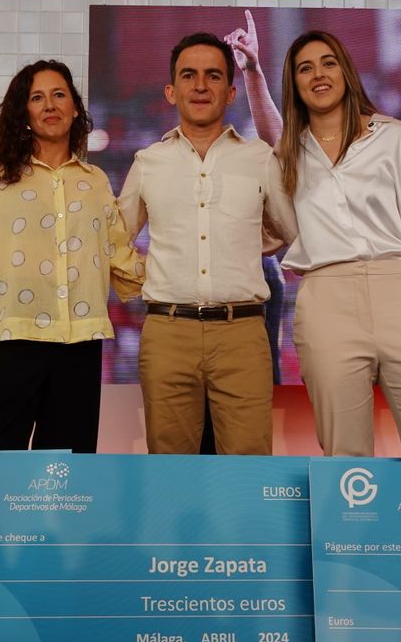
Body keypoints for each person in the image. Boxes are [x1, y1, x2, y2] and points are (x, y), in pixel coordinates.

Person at [264, 28, 401, 462]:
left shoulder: (393, 136)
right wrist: (251, 73)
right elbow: (275, 224)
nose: (319, 75)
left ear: (346, 71)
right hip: (325, 301)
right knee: (346, 461)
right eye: (305, 68)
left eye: (328, 63)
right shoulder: (286, 155)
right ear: (293, 84)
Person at [118, 32, 296, 456]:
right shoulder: (148, 162)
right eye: (189, 75)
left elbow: (290, 231)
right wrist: (148, 276)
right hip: (167, 332)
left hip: (243, 333)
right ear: (171, 91)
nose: (200, 86)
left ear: (231, 92)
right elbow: (113, 240)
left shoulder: (259, 158)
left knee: (247, 471)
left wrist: (250, 244)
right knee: (171, 471)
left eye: (213, 76)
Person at [0, 59, 144, 453]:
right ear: (24, 113)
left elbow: (122, 259)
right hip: (9, 340)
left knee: (66, 472)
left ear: (75, 108)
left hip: (79, 343)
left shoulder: (95, 182)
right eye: (37, 98)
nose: (49, 105)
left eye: (59, 95)